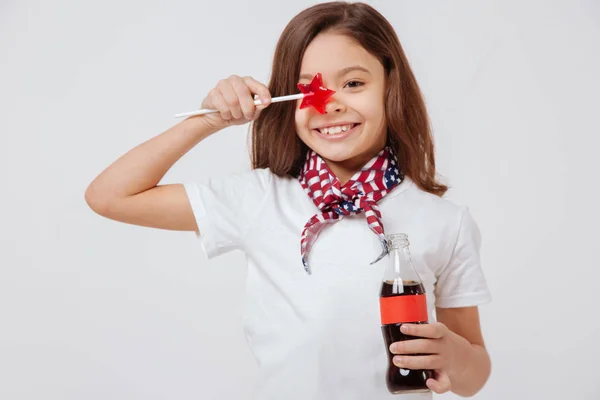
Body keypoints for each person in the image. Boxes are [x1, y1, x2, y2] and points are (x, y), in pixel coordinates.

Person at [85, 2, 492, 399]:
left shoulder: (446, 221)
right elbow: (110, 197)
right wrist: (208, 121)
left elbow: (473, 376)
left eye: (353, 83)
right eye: (308, 89)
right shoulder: (259, 197)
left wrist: (454, 356)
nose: (331, 103)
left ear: (391, 87)